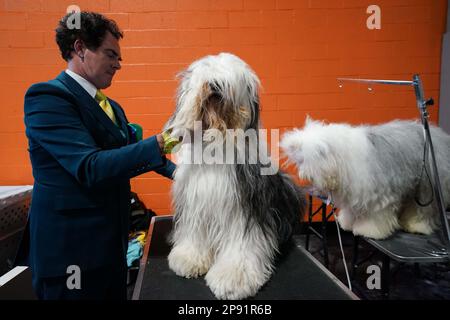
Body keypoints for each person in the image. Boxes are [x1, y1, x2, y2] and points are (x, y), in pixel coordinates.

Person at [22, 11, 176, 300]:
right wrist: (164, 140)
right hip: (70, 255)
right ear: (80, 48)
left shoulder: (111, 107)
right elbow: (89, 166)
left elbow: (130, 157)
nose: (118, 64)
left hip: (110, 249)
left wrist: (186, 175)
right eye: (110, 54)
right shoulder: (47, 98)